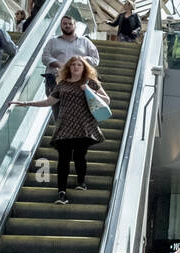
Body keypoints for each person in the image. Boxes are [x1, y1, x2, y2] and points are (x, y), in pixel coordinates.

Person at [10, 56, 109, 206]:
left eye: (79, 65)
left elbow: (106, 100)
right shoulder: (62, 84)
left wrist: (88, 89)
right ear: (68, 67)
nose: (76, 67)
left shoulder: (90, 82)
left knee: (79, 156)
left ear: (84, 68)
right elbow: (49, 101)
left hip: (84, 126)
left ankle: (81, 182)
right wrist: (25, 103)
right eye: (73, 65)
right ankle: (61, 193)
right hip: (64, 126)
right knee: (63, 159)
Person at [39, 15, 97, 106]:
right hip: (55, 79)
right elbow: (45, 57)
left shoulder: (85, 42)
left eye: (70, 24)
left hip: (79, 81)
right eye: (65, 23)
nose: (67, 25)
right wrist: (59, 64)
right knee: (57, 109)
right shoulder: (52, 41)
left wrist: (82, 60)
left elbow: (95, 59)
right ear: (61, 25)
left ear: (75, 26)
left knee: (75, 110)